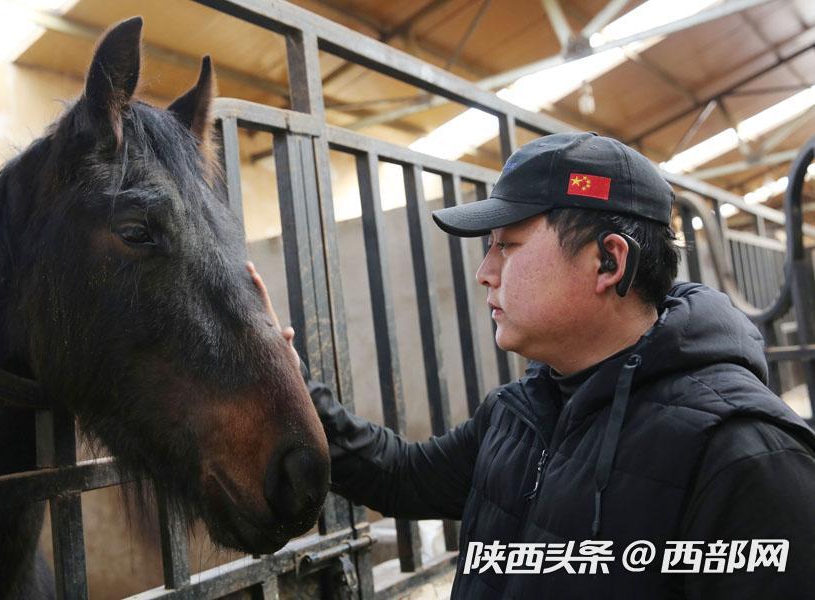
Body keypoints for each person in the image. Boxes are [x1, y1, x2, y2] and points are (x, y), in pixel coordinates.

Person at [248, 131, 815, 599]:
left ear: (608, 261)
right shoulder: (522, 411)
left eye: (508, 245)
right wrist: (286, 374)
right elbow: (403, 476)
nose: (485, 272)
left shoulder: (746, 456)